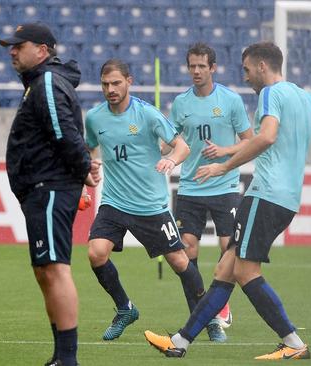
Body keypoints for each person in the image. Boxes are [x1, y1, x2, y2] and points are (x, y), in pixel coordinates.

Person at [145, 41, 311, 360]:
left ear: (262, 66)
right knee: (225, 268)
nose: (246, 76)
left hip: (264, 195)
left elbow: (266, 136)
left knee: (245, 271)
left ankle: (293, 343)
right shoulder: (309, 99)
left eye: (247, 69)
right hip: (287, 199)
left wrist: (224, 165)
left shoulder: (271, 93)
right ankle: (180, 342)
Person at [85, 59, 210, 342]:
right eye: (105, 84)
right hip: (114, 202)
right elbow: (89, 147)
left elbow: (183, 146)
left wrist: (170, 160)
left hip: (150, 206)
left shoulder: (148, 115)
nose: (110, 89)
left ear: (129, 81)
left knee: (179, 261)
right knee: (96, 253)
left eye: (116, 83)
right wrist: (90, 165)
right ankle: (125, 308)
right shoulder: (94, 117)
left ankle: (206, 318)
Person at [0, 23, 100, 366]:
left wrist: (83, 167)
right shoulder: (40, 83)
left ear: (42, 50)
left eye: (18, 45)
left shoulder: (45, 83)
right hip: (42, 188)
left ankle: (68, 359)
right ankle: (60, 355)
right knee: (45, 270)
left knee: (55, 268)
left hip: (51, 186)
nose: (11, 51)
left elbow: (63, 132)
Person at [169, 42, 254, 341]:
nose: (196, 71)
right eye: (192, 65)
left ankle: (222, 304)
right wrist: (163, 149)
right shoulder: (180, 104)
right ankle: (203, 317)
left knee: (228, 245)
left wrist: (225, 150)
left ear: (213, 67)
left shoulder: (230, 100)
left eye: (201, 66)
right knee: (187, 250)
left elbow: (250, 140)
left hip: (226, 183)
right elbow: (172, 141)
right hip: (191, 185)